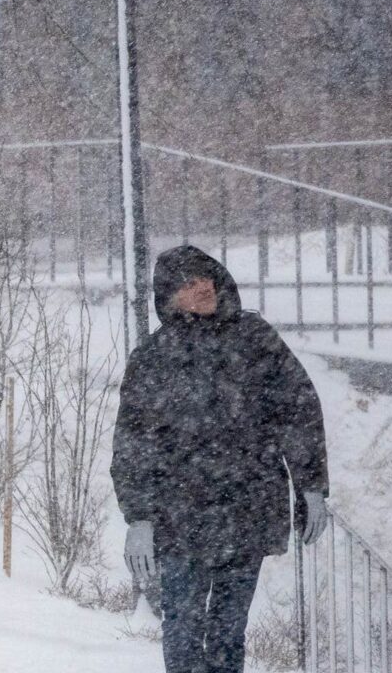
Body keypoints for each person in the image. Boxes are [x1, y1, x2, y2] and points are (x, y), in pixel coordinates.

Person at [110, 245, 329, 673]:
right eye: (190, 283)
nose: (204, 287)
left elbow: (297, 410)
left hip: (247, 511)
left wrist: (312, 486)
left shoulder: (255, 339)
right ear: (171, 296)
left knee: (230, 631)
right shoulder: (153, 359)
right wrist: (139, 518)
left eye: (206, 277)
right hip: (180, 518)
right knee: (183, 630)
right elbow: (134, 443)